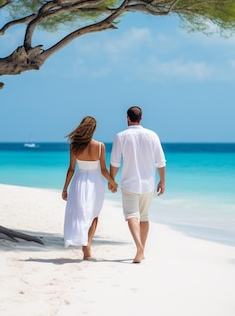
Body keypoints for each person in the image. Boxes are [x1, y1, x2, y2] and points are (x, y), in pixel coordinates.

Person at [109, 106, 166, 263]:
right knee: (144, 216)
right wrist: (162, 181)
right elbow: (161, 162)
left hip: (129, 183)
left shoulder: (120, 136)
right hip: (148, 184)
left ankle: (139, 247)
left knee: (131, 215)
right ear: (141, 118)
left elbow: (115, 162)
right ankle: (142, 248)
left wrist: (111, 180)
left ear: (128, 118)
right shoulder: (152, 135)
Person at [61, 116, 118, 260]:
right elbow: (104, 170)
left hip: (79, 181)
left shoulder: (74, 146)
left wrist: (65, 188)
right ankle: (87, 246)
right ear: (93, 129)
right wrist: (113, 183)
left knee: (81, 213)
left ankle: (85, 244)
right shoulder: (100, 146)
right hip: (95, 182)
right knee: (94, 214)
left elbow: (71, 169)